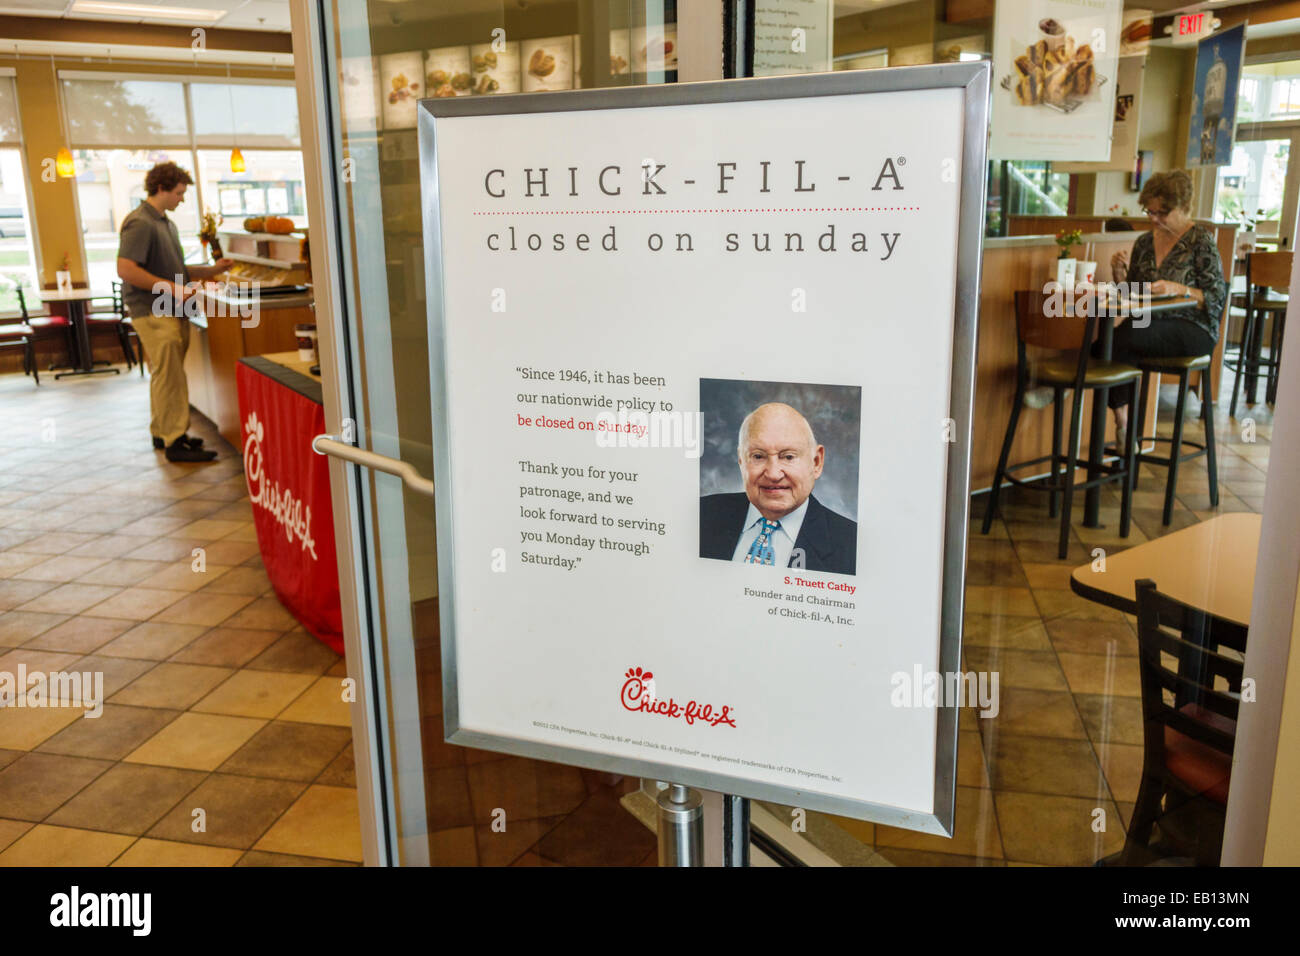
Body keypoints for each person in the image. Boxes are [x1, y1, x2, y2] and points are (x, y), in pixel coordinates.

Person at [1101, 169, 1226, 449]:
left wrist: (1180, 288)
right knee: (1116, 338)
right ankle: (1123, 423)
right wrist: (1119, 275)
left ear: (1183, 207)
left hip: (1195, 327)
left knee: (1118, 338)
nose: (1155, 219)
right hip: (1149, 323)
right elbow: (1133, 296)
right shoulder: (1144, 243)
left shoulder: (1200, 242)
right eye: (1150, 212)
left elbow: (1216, 297)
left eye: (1163, 213)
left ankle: (1118, 419)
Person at [117, 161, 232, 463]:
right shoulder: (140, 222)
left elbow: (176, 269)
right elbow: (126, 269)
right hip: (153, 310)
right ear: (160, 189)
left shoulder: (164, 223)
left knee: (165, 374)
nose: (182, 199)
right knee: (172, 377)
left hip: (171, 308)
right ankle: (175, 441)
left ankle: (162, 431)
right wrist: (172, 288)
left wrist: (211, 270)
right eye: (179, 193)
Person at [699, 402, 857, 575]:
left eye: (788, 457)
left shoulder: (852, 545)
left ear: (816, 462)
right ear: (741, 461)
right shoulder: (702, 514)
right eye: (758, 456)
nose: (773, 474)